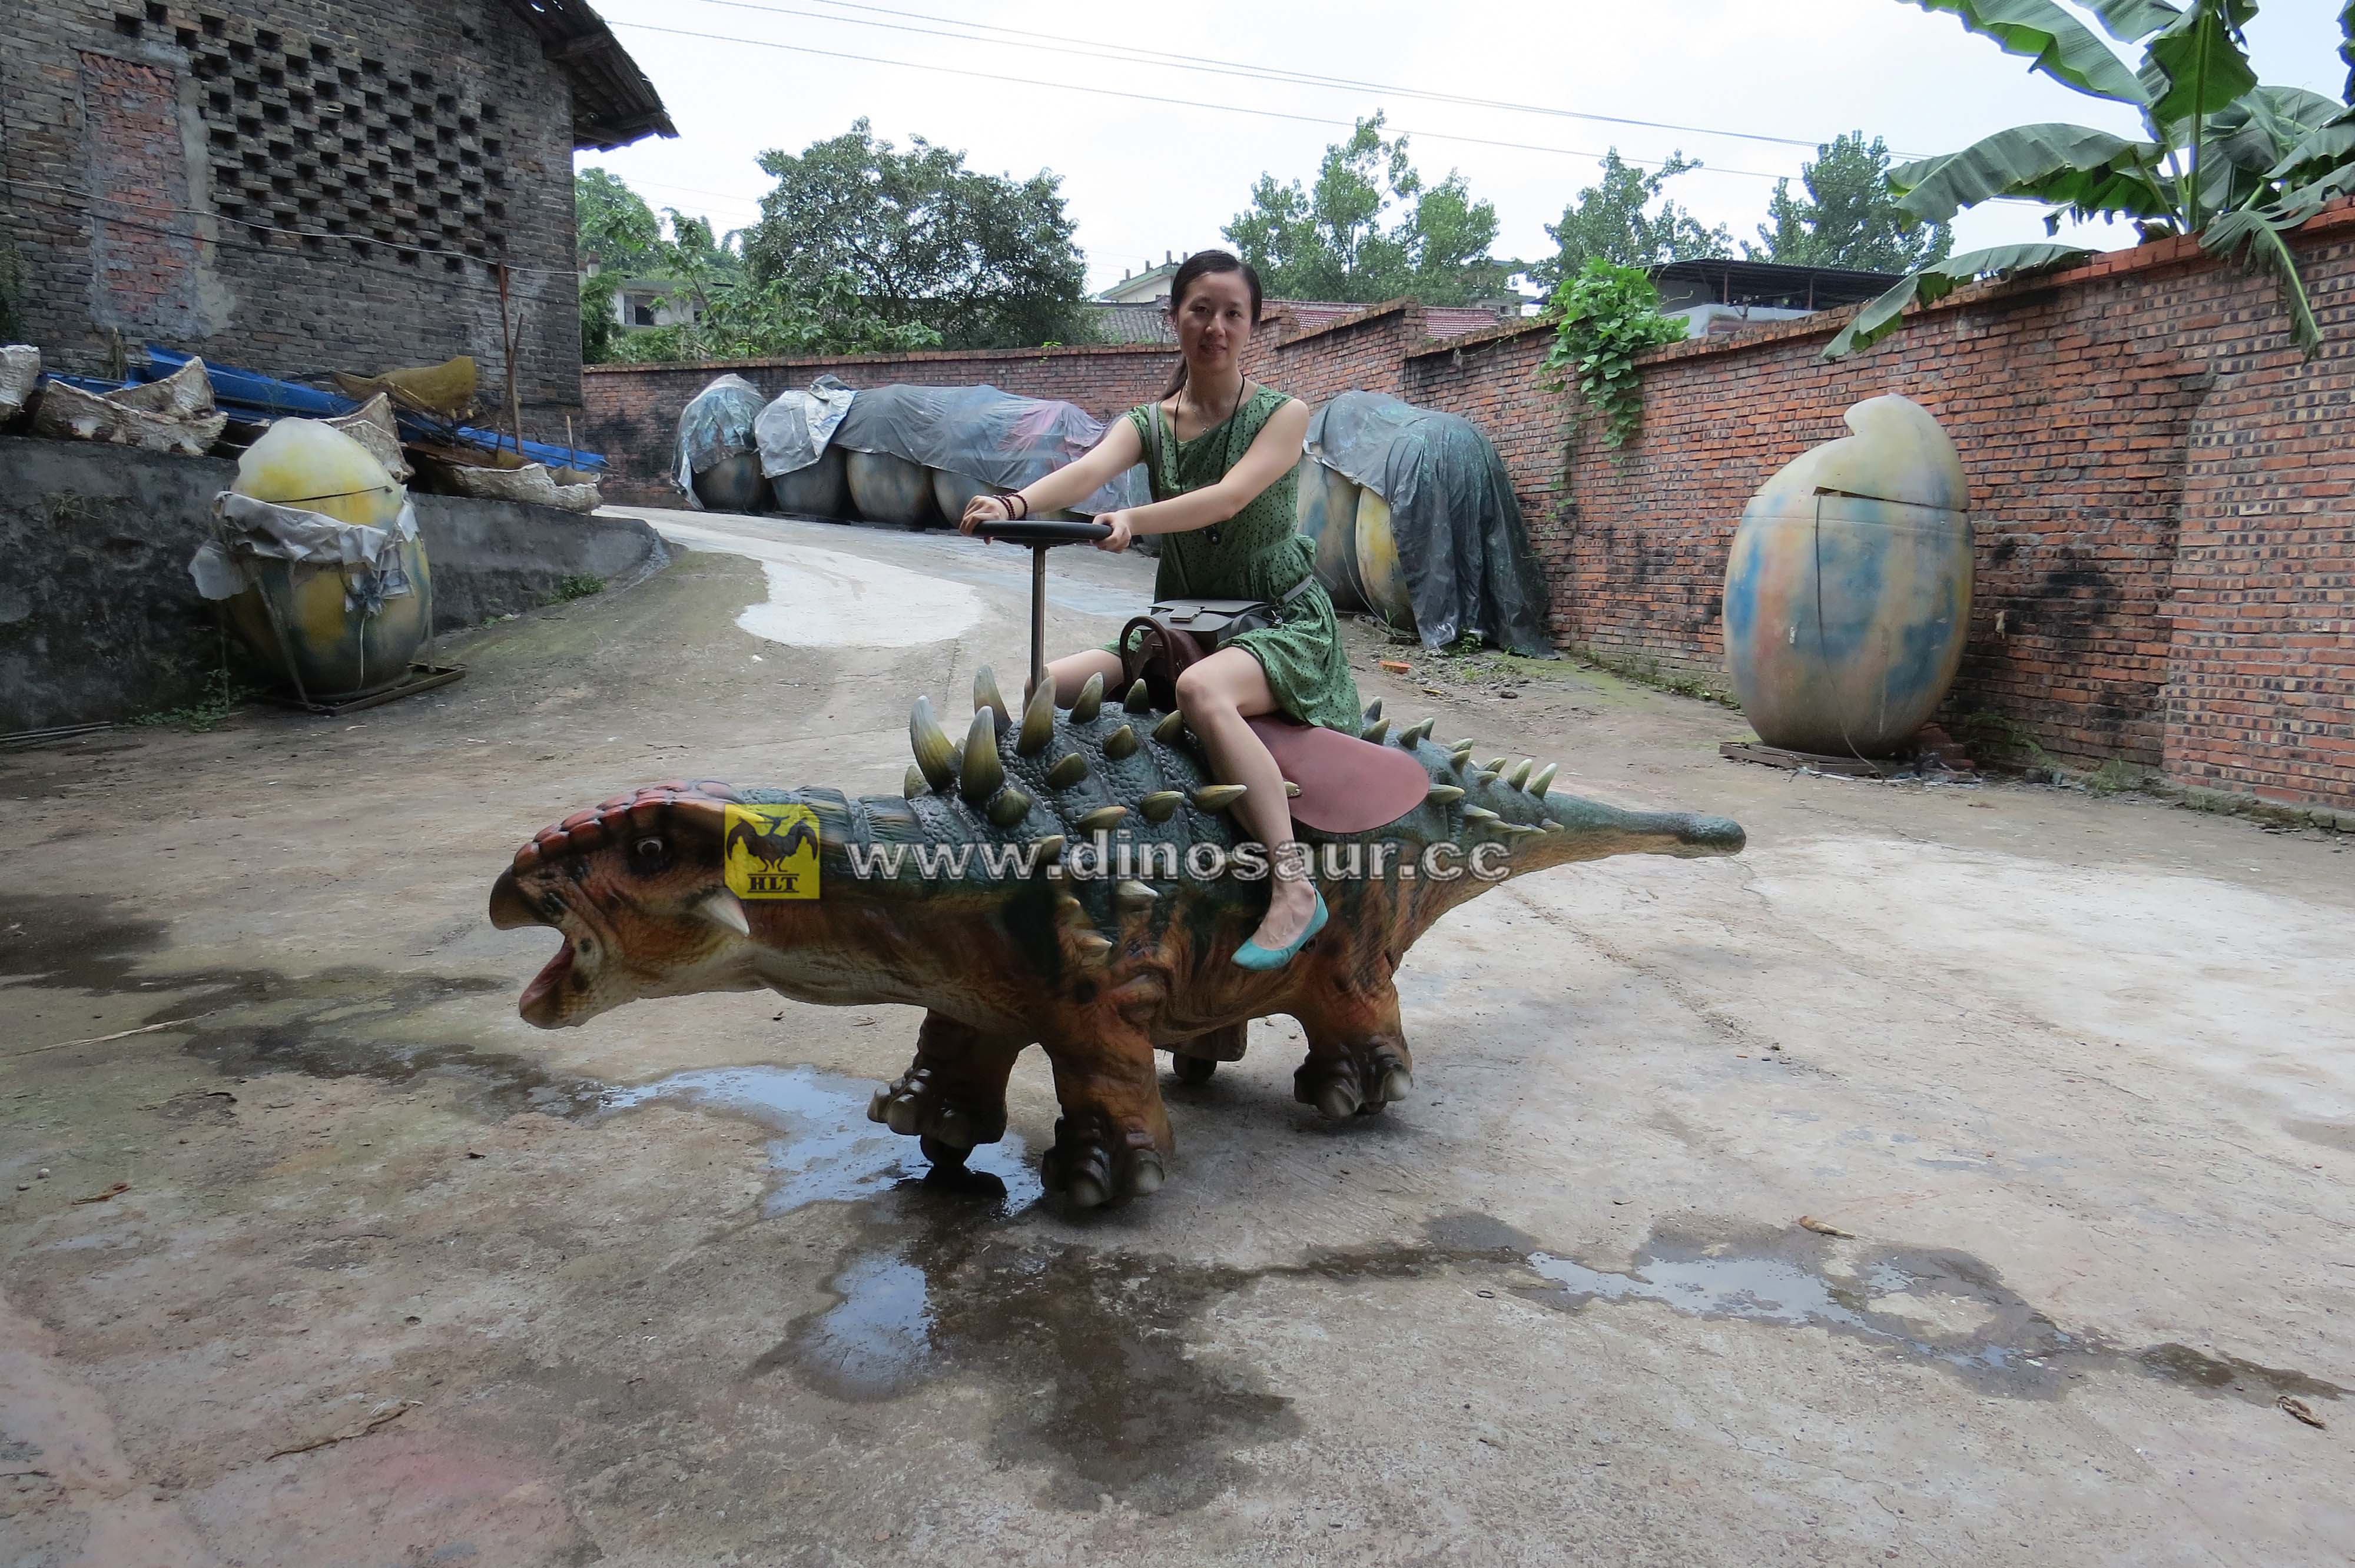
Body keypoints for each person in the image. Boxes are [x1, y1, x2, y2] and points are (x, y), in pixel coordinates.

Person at [957, 249, 1362, 970]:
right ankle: (1069, 850)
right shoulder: (1149, 423)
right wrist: (1012, 504)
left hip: (1276, 625)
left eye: (1232, 313)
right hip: (1183, 628)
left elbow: (1231, 496)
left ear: (1253, 325)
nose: (1215, 327)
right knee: (1046, 683)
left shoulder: (1284, 415)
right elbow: (1086, 473)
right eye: (1200, 310)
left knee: (1202, 693)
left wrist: (1134, 521)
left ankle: (1293, 885)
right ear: (1172, 316)